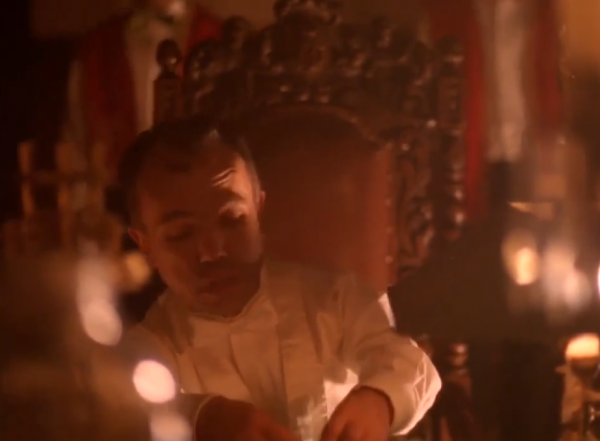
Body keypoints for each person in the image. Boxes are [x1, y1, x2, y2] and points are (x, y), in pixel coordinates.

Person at [116, 117, 441, 441]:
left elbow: (406, 360)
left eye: (232, 219)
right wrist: (200, 417)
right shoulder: (147, 348)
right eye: (181, 234)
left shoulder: (335, 298)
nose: (213, 252)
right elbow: (126, 410)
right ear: (145, 245)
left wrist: (379, 400)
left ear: (258, 210)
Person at [63, 0, 220, 171]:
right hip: (119, 178)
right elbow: (79, 129)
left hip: (193, 177)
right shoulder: (99, 45)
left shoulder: (214, 36)